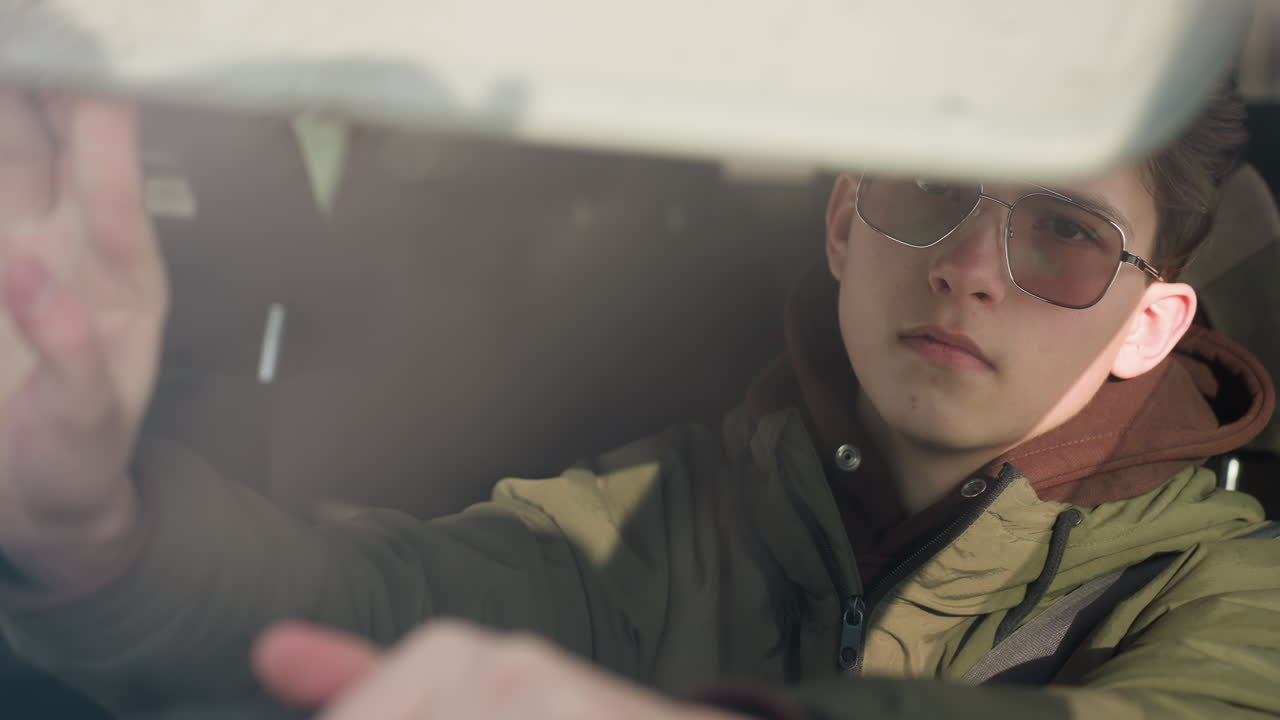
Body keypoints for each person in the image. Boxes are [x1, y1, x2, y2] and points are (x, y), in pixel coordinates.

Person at [0, 77, 1276, 720]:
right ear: (843, 224)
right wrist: (92, 536)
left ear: (1148, 327)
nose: (961, 266)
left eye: (1059, 235)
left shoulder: (1228, 594)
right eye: (923, 192)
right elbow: (371, 599)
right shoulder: (670, 511)